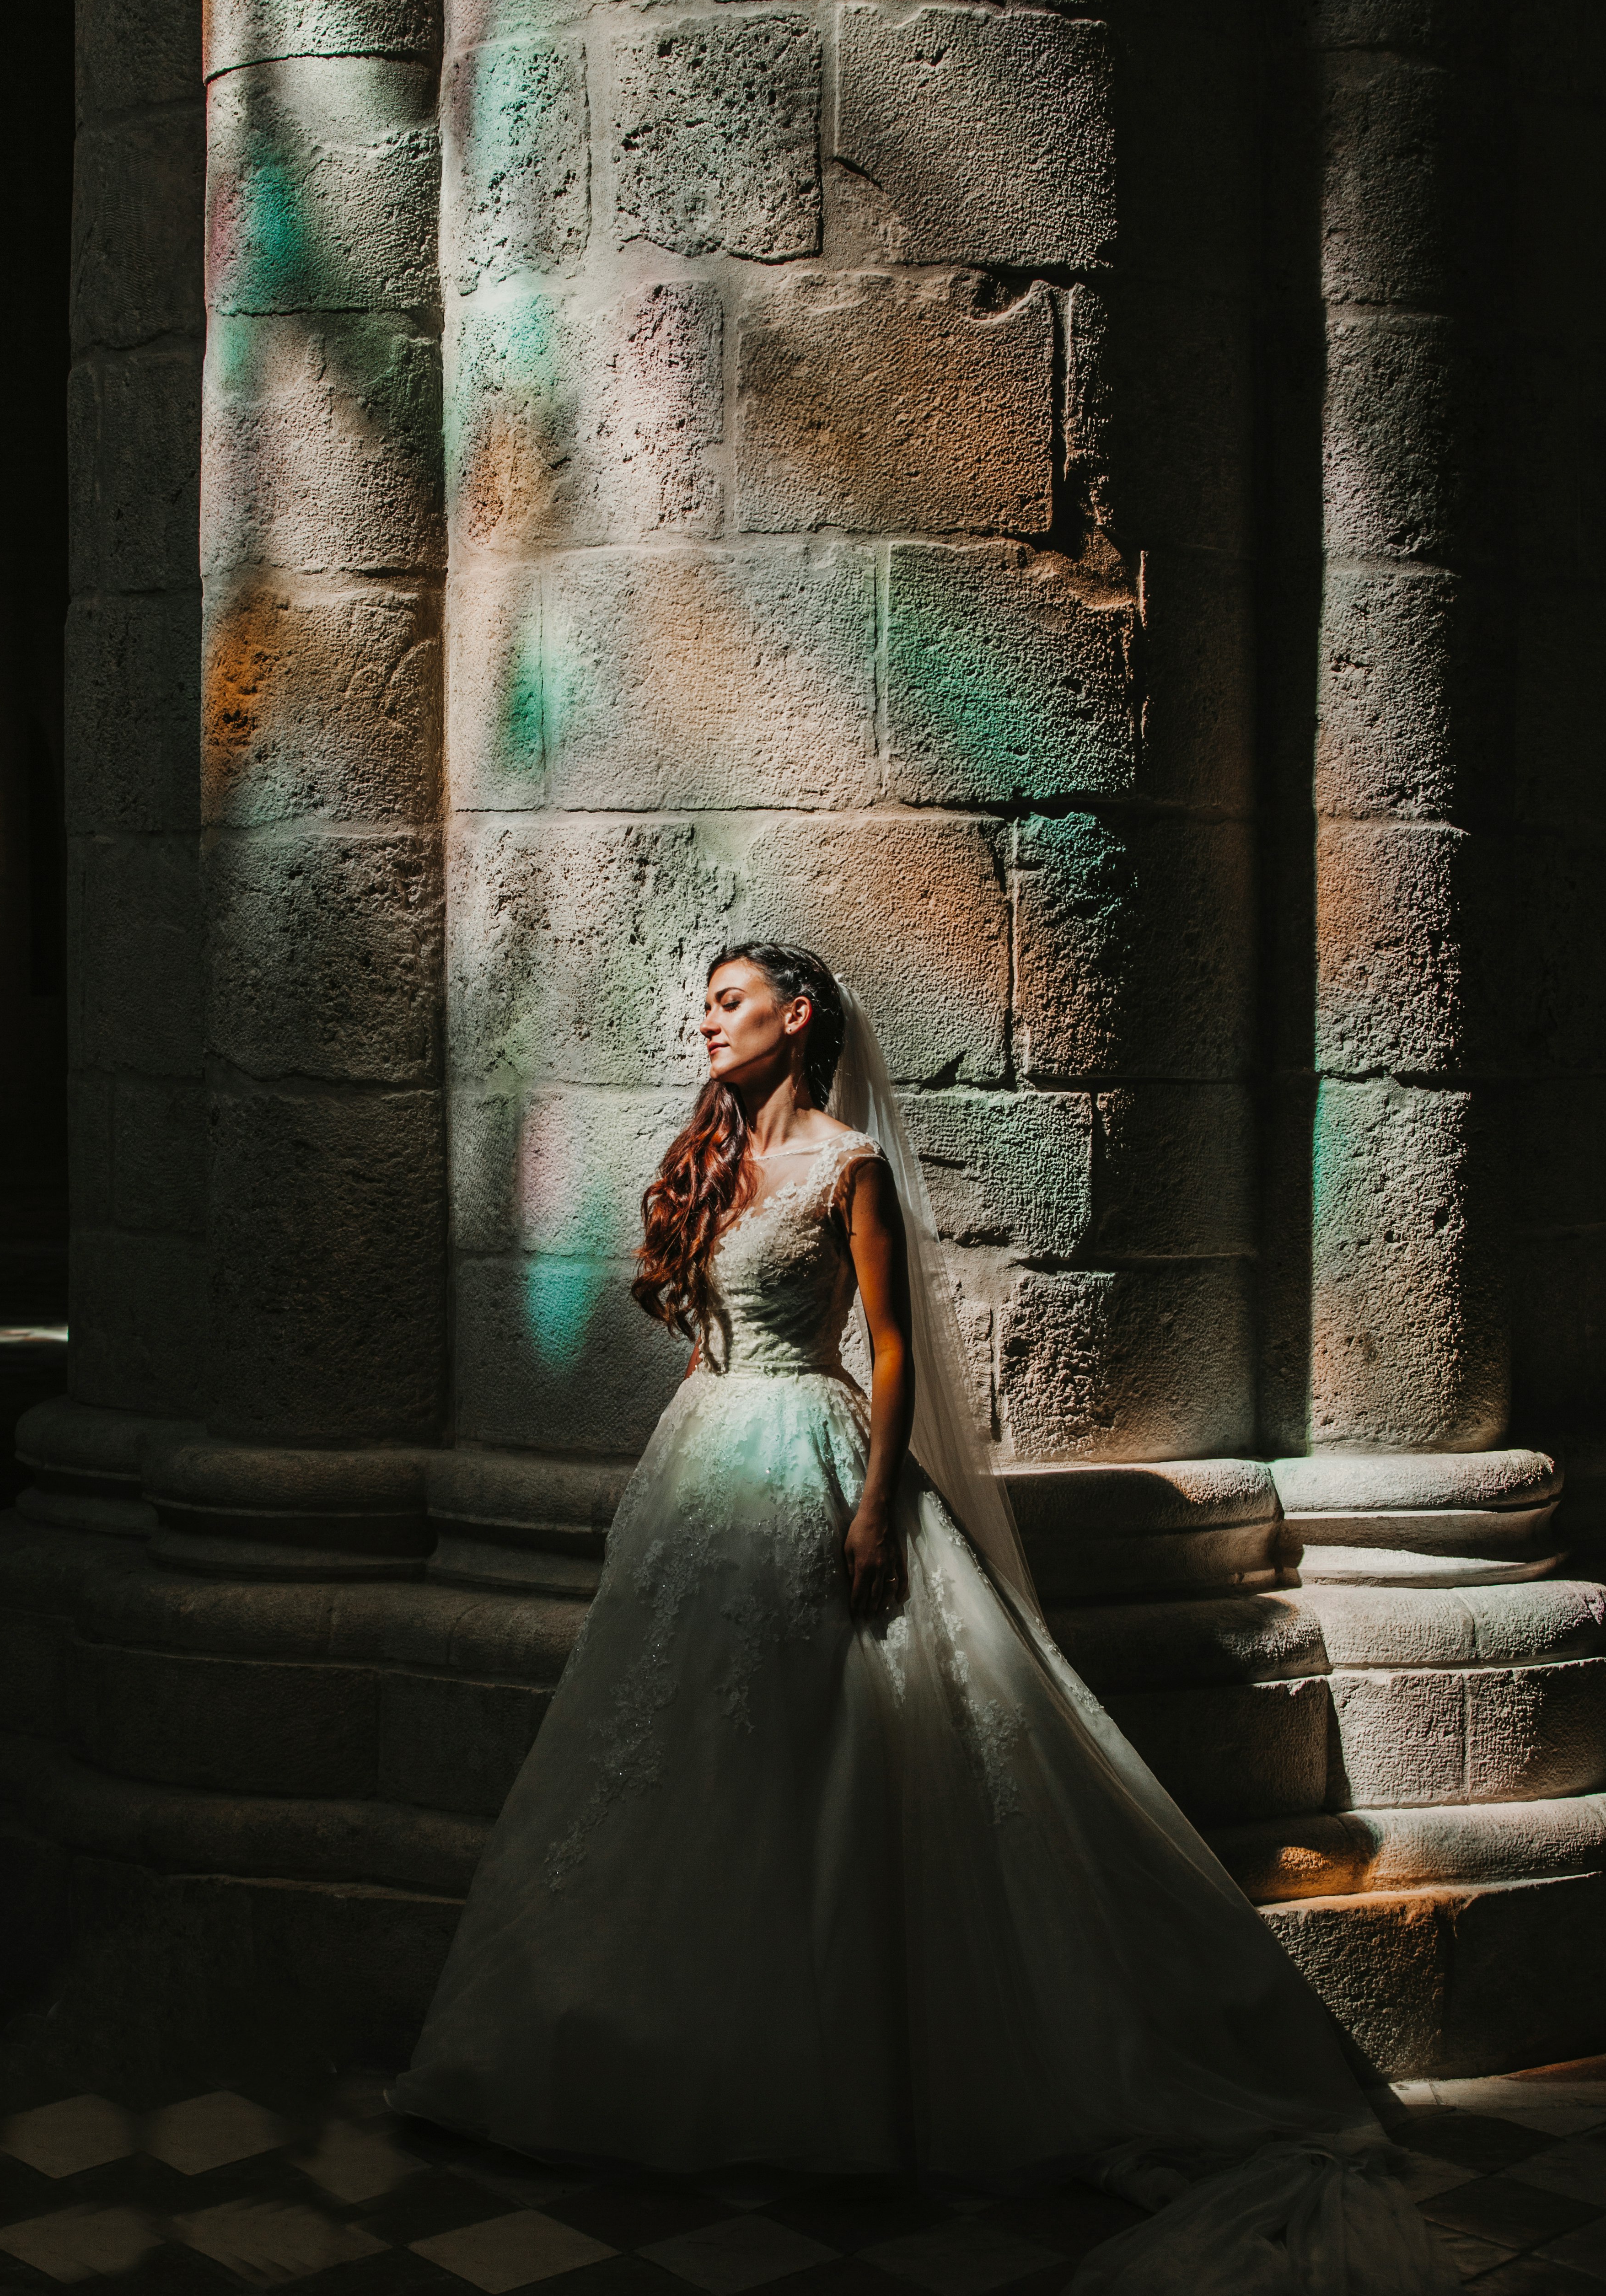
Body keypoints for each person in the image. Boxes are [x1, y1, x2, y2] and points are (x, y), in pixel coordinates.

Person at [391, 944, 1453, 2292]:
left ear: (802, 1017)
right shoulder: (709, 1155)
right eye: (708, 1001)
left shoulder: (850, 1165)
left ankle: (876, 2069)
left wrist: (878, 1498)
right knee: (694, 1755)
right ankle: (693, 2053)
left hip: (819, 1458)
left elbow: (891, 1345)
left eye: (735, 999)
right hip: (704, 1461)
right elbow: (700, 1323)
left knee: (841, 1752)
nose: (710, 1018)